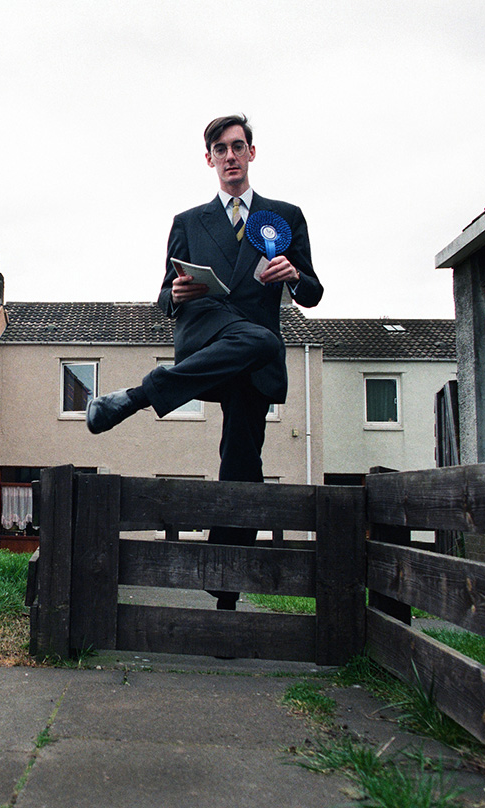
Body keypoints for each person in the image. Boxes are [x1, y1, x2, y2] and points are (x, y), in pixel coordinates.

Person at [86, 114, 323, 610]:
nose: (231, 156)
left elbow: (313, 292)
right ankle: (145, 392)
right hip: (207, 333)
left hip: (251, 360)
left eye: (238, 146)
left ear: (252, 154)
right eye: (221, 148)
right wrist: (174, 291)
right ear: (210, 159)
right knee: (265, 341)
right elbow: (163, 300)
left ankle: (226, 590)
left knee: (242, 463)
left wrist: (294, 273)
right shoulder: (189, 222)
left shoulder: (284, 216)